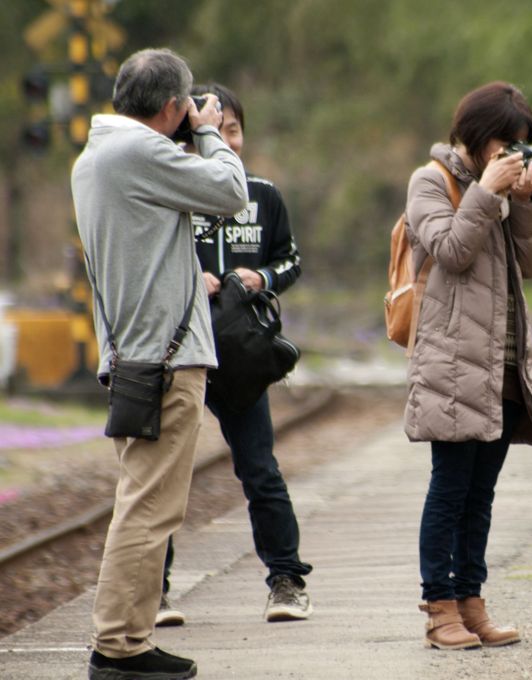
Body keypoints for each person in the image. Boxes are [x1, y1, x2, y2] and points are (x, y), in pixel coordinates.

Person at [71, 48, 248, 680]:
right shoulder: (139, 153)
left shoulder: (96, 156)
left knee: (143, 505)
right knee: (149, 510)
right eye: (187, 107)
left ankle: (130, 641)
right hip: (165, 360)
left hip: (136, 354)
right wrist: (207, 131)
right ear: (172, 107)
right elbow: (231, 193)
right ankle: (119, 647)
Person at [404, 81, 532, 650]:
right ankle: (439, 606)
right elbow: (449, 251)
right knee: (450, 488)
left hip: (502, 363)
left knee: (481, 494)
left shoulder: (501, 190)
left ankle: (471, 601)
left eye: (520, 144)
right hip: (451, 362)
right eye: (505, 141)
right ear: (474, 134)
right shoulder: (430, 181)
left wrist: (527, 201)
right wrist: (486, 195)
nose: (510, 152)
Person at [156, 82, 312, 627]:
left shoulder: (263, 195)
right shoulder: (166, 195)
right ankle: (156, 593)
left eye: (232, 130)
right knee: (166, 474)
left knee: (260, 469)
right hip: (180, 350)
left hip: (242, 355)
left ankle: (287, 581)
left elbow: (291, 260)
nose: (225, 141)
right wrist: (185, 278)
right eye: (209, 132)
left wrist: (262, 276)